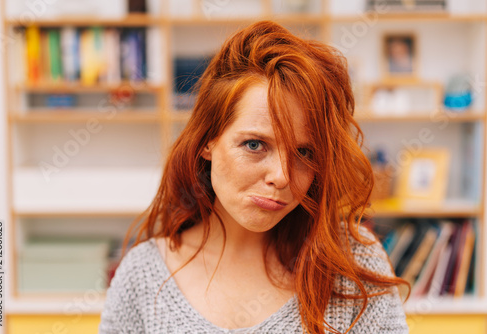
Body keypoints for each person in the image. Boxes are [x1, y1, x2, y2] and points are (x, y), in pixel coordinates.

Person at [99, 20, 409, 334]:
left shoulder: (353, 262)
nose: (282, 177)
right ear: (208, 141)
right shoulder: (142, 276)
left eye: (304, 153)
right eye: (255, 144)